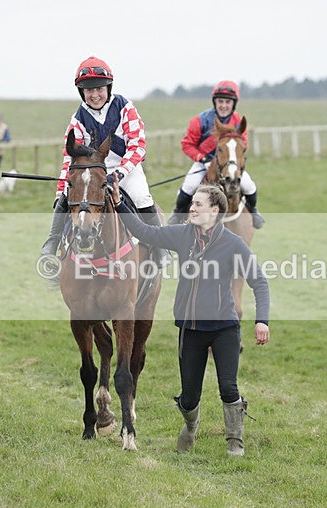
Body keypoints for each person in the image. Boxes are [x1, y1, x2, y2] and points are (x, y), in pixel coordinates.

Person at [112, 177, 270, 456]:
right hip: (191, 329)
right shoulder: (182, 235)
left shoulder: (233, 244)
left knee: (228, 387)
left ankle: (235, 441)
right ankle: (191, 426)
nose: (191, 208)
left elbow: (259, 281)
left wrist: (262, 321)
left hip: (224, 327)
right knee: (189, 396)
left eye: (197, 204)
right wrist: (118, 202)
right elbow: (144, 231)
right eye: (193, 203)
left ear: (213, 211)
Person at [41, 56, 169, 267]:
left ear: (108, 88)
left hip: (126, 167)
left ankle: (160, 247)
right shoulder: (77, 119)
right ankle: (52, 242)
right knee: (66, 195)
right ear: (82, 92)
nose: (94, 95)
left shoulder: (125, 108)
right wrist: (60, 191)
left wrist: (118, 174)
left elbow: (138, 146)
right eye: (89, 90)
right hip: (92, 170)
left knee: (141, 196)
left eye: (99, 88)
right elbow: (69, 159)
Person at [168, 81, 265, 229]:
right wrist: (203, 158)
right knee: (190, 185)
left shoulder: (239, 121)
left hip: (229, 163)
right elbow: (187, 144)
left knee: (248, 185)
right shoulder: (200, 120)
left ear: (233, 104)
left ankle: (253, 212)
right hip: (203, 161)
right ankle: (177, 214)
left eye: (228, 102)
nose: (224, 105)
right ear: (215, 102)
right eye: (220, 101)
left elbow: (243, 144)